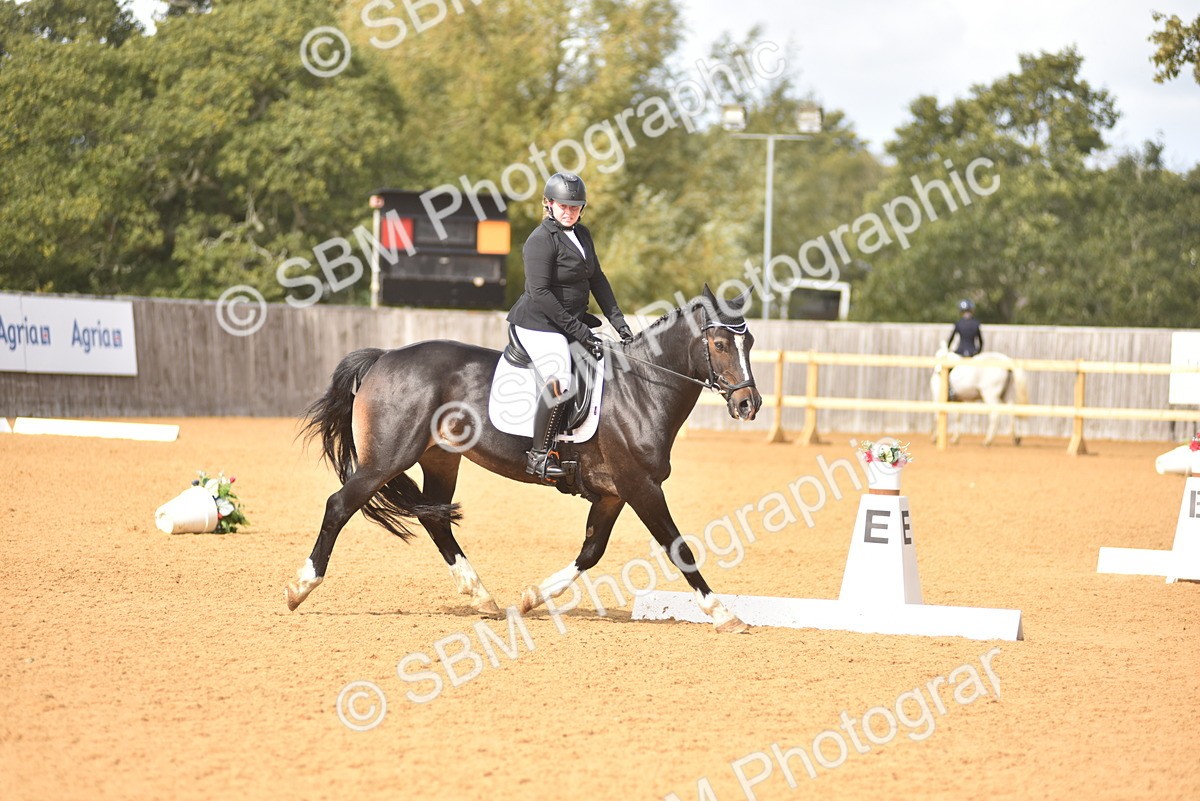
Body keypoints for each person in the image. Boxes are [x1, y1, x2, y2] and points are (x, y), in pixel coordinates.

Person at [506, 172, 633, 481]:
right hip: (538, 323)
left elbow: (597, 279)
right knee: (560, 377)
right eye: (563, 206)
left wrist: (620, 323)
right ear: (549, 204)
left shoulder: (582, 234)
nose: (569, 212)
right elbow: (541, 294)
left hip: (570, 322)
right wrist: (580, 332)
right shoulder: (540, 240)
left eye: (575, 207)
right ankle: (539, 455)